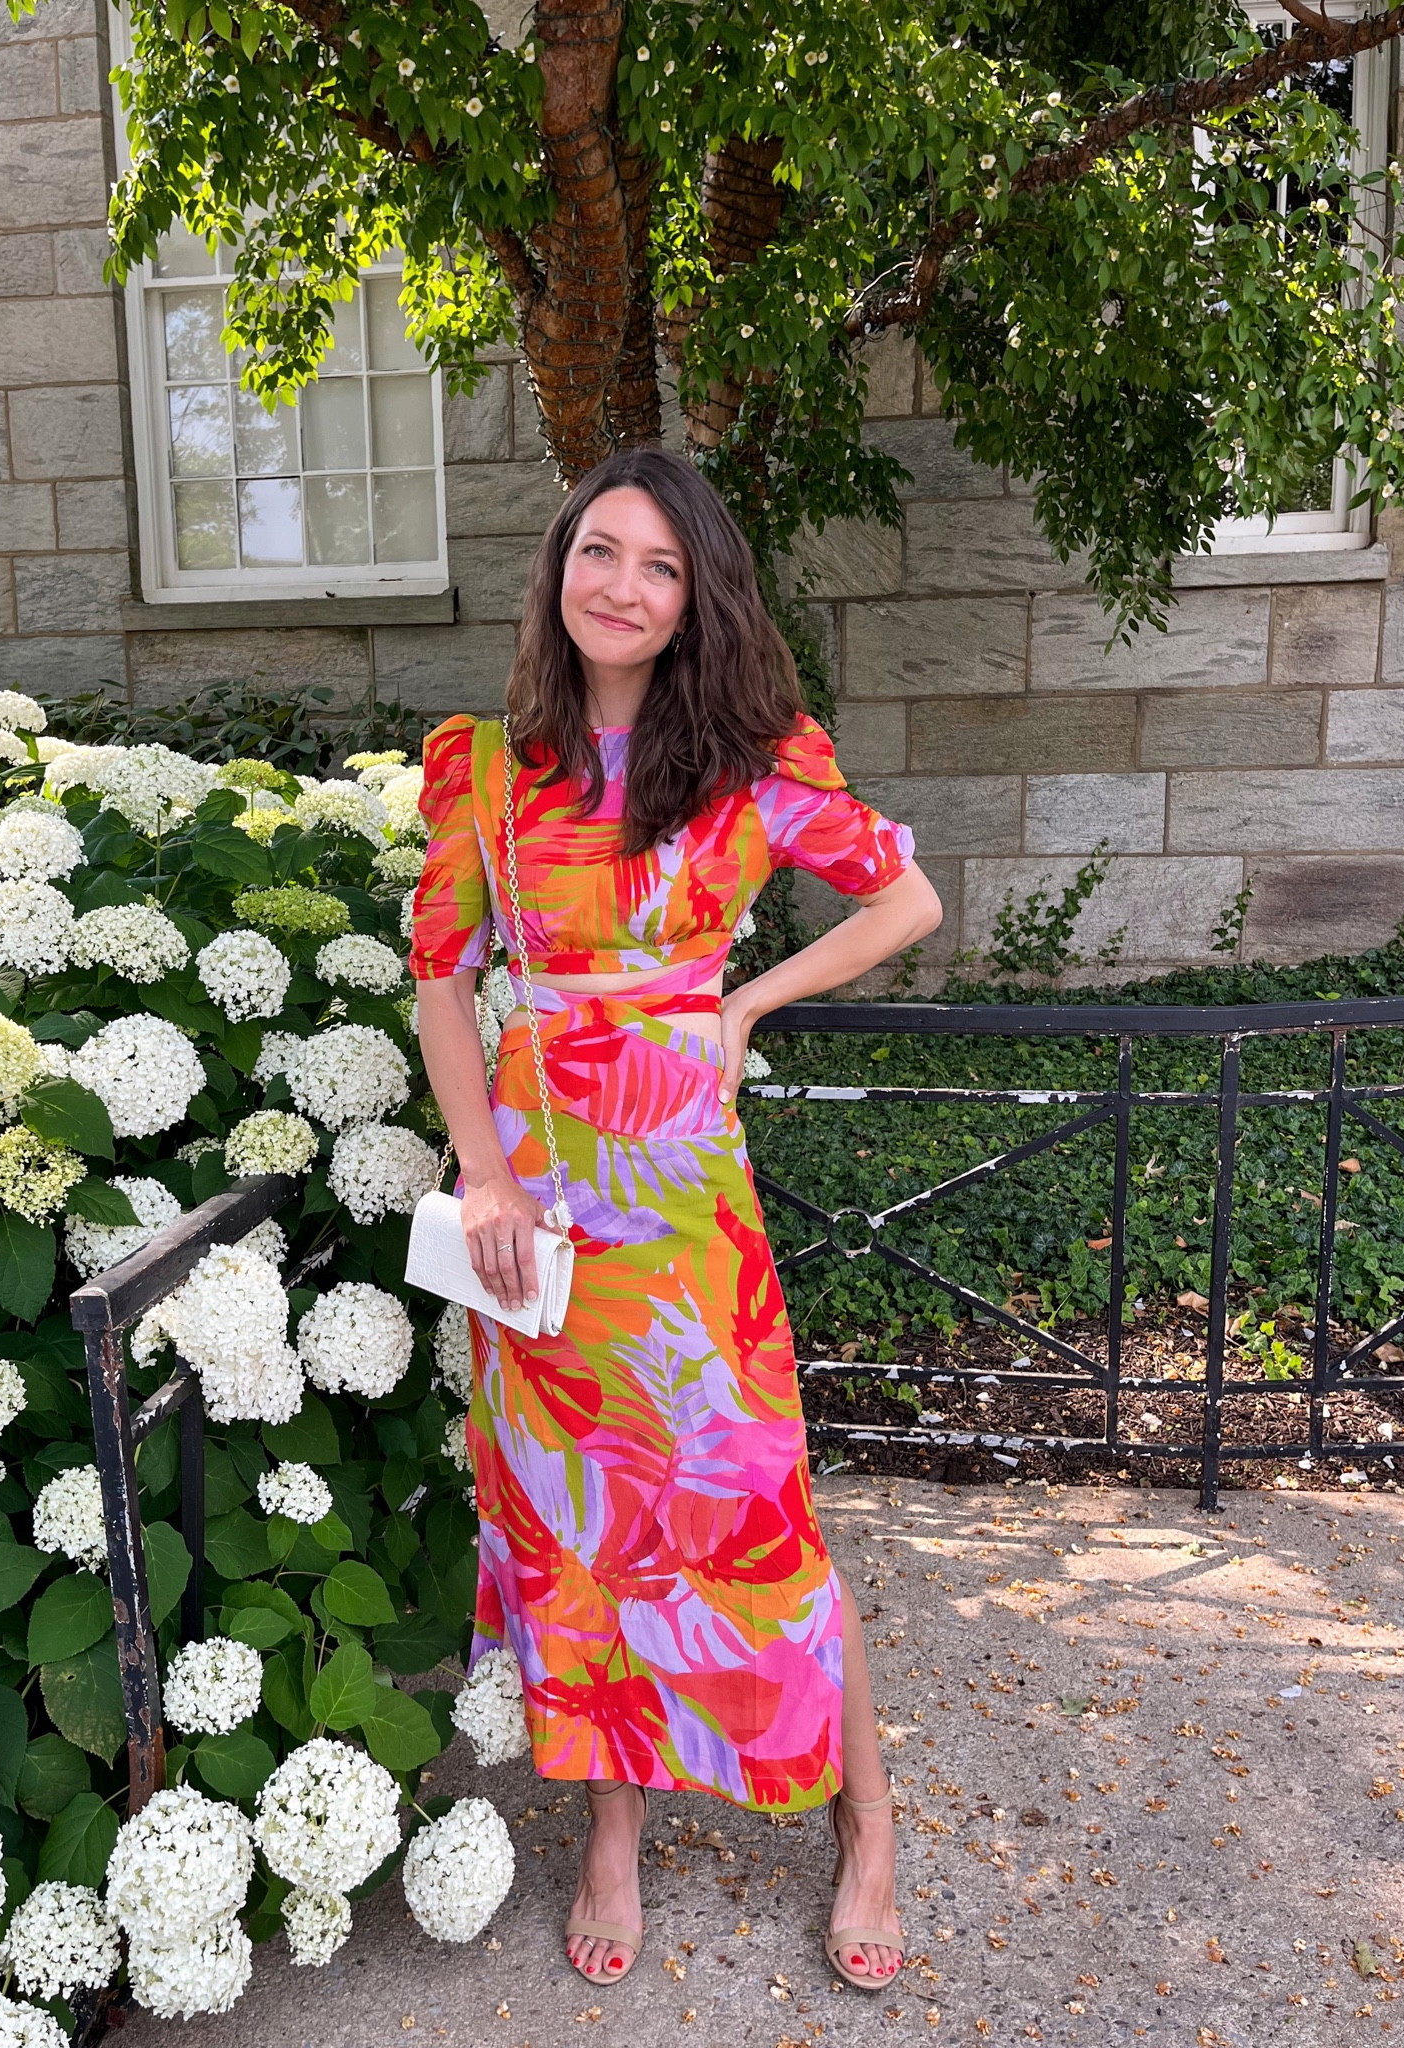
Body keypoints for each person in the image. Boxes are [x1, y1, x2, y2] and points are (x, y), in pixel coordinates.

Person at [409, 446, 943, 1995]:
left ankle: (868, 1824)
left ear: (695, 591)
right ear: (558, 569)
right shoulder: (484, 772)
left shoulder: (754, 757)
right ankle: (613, 1835)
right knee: (586, 1535)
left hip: (683, 1205)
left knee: (755, 1516)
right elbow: (442, 984)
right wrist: (483, 1174)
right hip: (537, 1213)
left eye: (655, 564)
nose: (620, 586)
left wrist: (748, 1002)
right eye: (597, 552)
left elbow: (903, 899)